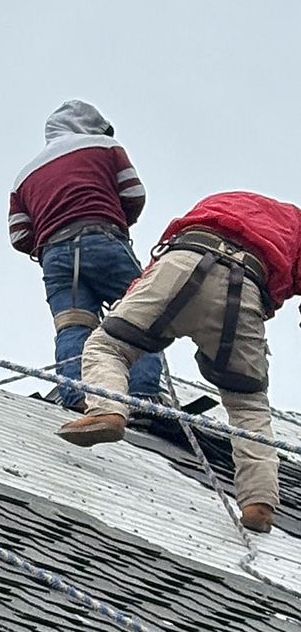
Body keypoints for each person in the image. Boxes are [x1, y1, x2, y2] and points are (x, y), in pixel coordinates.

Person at [60, 191, 301, 532]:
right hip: (246, 286)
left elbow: (161, 259)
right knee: (249, 407)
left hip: (182, 262)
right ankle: (258, 501)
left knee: (108, 346)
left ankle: (108, 411)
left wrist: (137, 302)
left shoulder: (223, 200)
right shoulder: (297, 228)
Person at [8, 101, 161, 414]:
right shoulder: (106, 146)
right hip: (103, 239)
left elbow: (19, 235)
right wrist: (114, 219)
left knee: (73, 326)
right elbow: (133, 195)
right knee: (142, 319)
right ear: (92, 124)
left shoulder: (24, 177)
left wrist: (51, 237)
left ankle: (78, 396)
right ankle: (142, 399)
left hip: (55, 257)